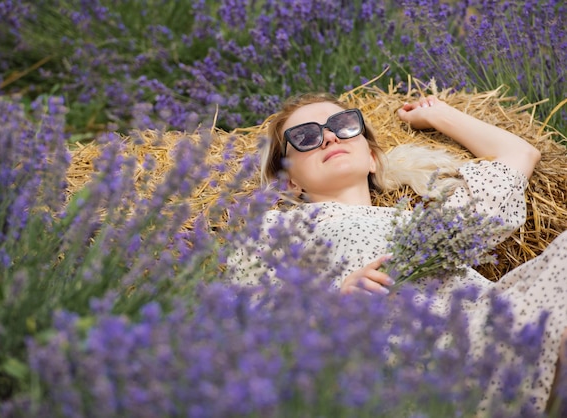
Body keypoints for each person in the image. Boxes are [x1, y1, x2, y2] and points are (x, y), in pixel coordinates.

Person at [230, 92, 567, 414]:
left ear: (372, 157)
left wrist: (437, 114)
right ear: (290, 182)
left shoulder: (424, 225)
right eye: (305, 136)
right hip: (429, 367)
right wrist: (336, 300)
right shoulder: (276, 230)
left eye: (344, 125)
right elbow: (251, 320)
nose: (330, 138)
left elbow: (520, 155)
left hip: (492, 324)